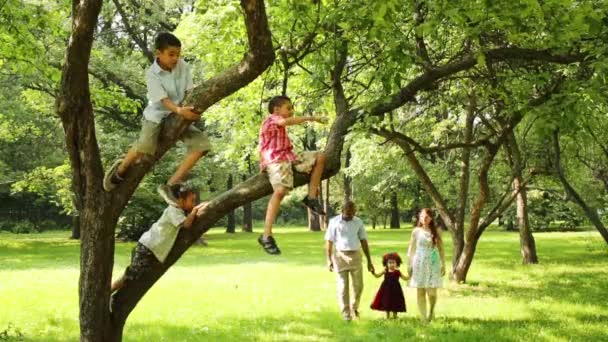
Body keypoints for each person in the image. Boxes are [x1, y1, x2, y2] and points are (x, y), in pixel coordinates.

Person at [103, 32, 212, 207]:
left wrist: (192, 111)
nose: (175, 58)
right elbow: (162, 99)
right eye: (171, 54)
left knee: (202, 146)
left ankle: (171, 183)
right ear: (158, 54)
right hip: (157, 114)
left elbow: (190, 91)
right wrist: (179, 110)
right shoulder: (152, 74)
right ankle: (121, 167)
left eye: (178, 54)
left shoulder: (183, 66)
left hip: (179, 114)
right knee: (146, 147)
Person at [257, 95, 327, 254]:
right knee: (280, 191)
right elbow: (284, 122)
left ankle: (311, 198)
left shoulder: (279, 124)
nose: (291, 111)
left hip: (289, 157)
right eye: (288, 108)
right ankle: (266, 235)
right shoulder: (271, 120)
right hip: (275, 160)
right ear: (276, 110)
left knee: (320, 157)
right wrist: (312, 118)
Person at [111, 183, 207, 292]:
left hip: (150, 248)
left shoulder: (177, 211)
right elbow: (186, 224)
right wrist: (194, 211)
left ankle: (114, 290)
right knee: (132, 275)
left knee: (136, 275)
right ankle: (110, 290)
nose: (193, 204)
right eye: (192, 200)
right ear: (180, 199)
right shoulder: (173, 211)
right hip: (148, 247)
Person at [325, 201, 374, 321]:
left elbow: (364, 241)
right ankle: (346, 314)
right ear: (342, 211)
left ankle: (354, 307)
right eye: (348, 213)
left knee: (359, 286)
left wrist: (369, 261)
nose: (350, 216)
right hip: (340, 255)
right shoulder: (334, 222)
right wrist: (329, 259)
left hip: (356, 255)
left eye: (352, 213)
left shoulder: (358, 222)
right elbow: (329, 241)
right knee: (343, 286)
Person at [407, 208, 446, 323]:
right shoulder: (416, 231)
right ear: (419, 217)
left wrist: (443, 264)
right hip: (419, 262)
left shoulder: (437, 231)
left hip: (433, 263)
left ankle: (432, 311)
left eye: (427, 217)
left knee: (432, 292)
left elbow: (441, 249)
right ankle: (423, 318)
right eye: (422, 216)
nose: (424, 219)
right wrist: (409, 264)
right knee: (420, 291)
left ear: (431, 218)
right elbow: (411, 248)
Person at [370, 252, 408, 319]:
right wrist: (373, 272)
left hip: (396, 290)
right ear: (386, 264)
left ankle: (395, 316)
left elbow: (405, 278)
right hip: (386, 289)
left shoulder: (397, 272)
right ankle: (387, 316)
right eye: (390, 263)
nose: (391, 264)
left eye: (393, 263)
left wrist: (411, 274)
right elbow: (377, 276)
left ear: (397, 263)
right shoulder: (385, 271)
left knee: (395, 301)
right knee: (387, 301)